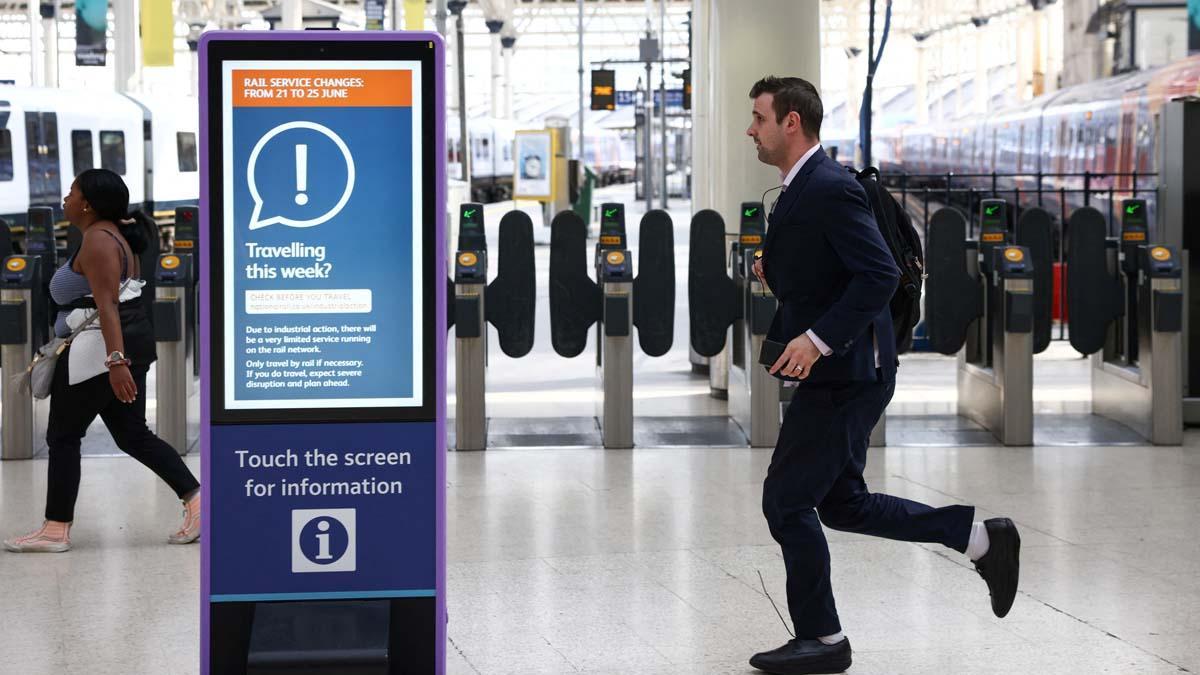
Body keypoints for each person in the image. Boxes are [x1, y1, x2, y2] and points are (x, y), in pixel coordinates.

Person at [744, 77, 1020, 674]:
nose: (752, 130)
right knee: (841, 504)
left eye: (759, 118)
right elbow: (836, 270)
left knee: (787, 501)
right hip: (846, 370)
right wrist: (781, 272)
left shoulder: (828, 187)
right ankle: (980, 539)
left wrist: (816, 340)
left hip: (848, 372)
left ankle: (822, 639)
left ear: (792, 122)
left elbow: (878, 273)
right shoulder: (802, 187)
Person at [4, 169, 201, 553]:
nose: (65, 199)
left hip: (95, 353)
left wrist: (115, 362)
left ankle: (55, 528)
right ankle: (196, 500)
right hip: (118, 345)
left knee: (63, 436)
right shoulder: (113, 235)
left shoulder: (97, 240)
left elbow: (107, 305)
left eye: (72, 192)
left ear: (88, 204)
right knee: (131, 434)